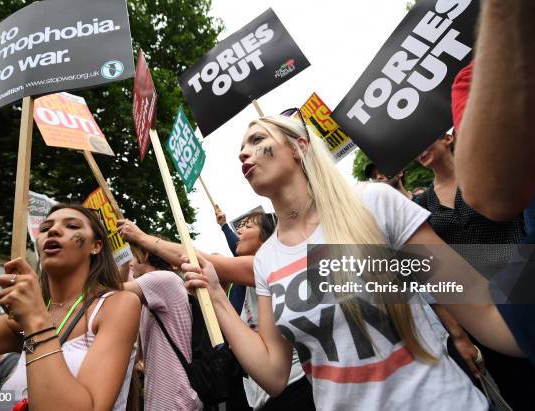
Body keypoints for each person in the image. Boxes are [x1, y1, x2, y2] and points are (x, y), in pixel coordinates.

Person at [183, 113, 488, 410]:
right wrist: (216, 296)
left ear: (298, 147)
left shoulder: (372, 202)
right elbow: (273, 375)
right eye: (241, 148)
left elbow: (472, 297)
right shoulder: (265, 261)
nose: (243, 153)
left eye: (257, 140)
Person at [439, 1, 535, 406]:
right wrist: (457, 331)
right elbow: (494, 196)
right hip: (517, 299)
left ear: (446, 140)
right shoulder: (481, 80)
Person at [0, 204, 140, 411]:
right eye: (46, 228)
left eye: (73, 226)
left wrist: (35, 321)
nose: (53, 230)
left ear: (96, 246)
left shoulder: (117, 304)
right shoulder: (20, 323)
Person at [118, 213, 315, 411]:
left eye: (248, 227)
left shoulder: (268, 265)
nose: (239, 230)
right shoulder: (248, 289)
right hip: (262, 396)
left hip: (295, 390)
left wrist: (142, 237)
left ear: (266, 236)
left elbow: (199, 259)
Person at [415, 130, 535, 410]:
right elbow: (435, 278)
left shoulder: (487, 174)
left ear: (447, 139)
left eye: (424, 139)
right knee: (520, 394)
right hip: (484, 312)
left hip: (531, 292)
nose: (419, 150)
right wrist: (459, 333)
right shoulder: (421, 207)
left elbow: (532, 220)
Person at [122, 252, 203, 410]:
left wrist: (121, 257)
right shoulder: (153, 292)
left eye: (132, 254)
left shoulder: (162, 279)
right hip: (168, 396)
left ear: (144, 255)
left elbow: (112, 291)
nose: (130, 263)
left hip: (174, 398)